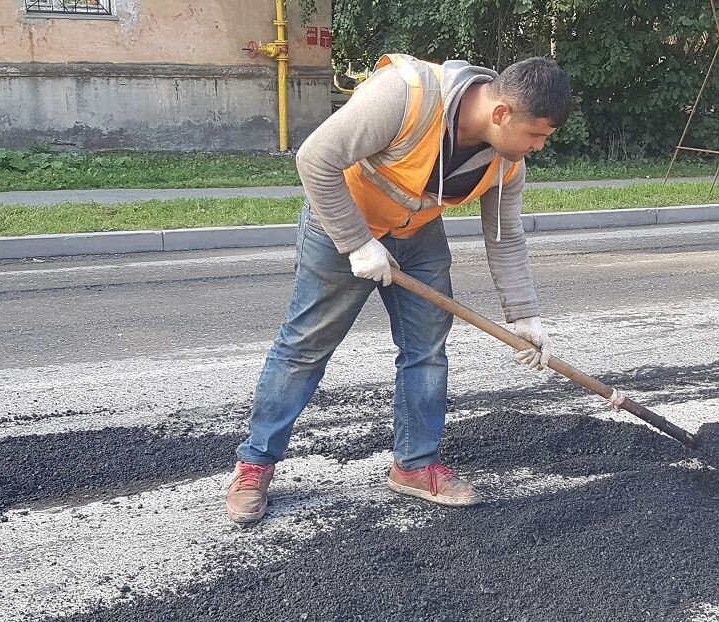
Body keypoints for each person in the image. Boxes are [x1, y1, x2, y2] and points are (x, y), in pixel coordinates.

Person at [225, 54, 573, 524]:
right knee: (304, 347)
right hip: (340, 227)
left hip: (418, 236)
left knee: (426, 348)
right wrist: (356, 242)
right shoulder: (406, 95)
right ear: (500, 113)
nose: (537, 147)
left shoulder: (506, 161)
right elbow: (315, 159)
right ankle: (255, 465)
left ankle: (414, 464)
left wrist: (524, 316)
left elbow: (505, 236)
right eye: (536, 135)